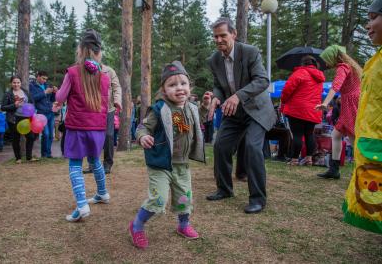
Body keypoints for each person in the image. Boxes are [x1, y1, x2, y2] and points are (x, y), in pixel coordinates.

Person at [129, 61, 210, 249]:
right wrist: (143, 137)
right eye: (172, 85)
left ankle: (183, 225)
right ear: (164, 90)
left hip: (181, 164)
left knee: (184, 197)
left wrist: (205, 107)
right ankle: (136, 226)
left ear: (189, 87)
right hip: (161, 164)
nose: (179, 88)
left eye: (183, 83)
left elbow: (199, 120)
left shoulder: (190, 108)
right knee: (159, 199)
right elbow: (142, 127)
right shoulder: (159, 109)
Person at [205, 17, 276, 214]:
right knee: (220, 146)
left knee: (253, 148)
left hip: (256, 110)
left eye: (223, 35)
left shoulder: (250, 52)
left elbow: (263, 80)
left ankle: (257, 199)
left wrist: (237, 96)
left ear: (234, 35)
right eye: (215, 36)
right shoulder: (214, 60)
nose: (219, 40)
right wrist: (216, 99)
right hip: (233, 111)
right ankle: (224, 189)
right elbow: (219, 85)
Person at [54, 29, 110, 222]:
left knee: (75, 165)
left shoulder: (72, 72)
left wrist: (57, 99)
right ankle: (102, 193)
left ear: (81, 50)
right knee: (95, 160)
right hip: (97, 127)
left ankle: (81, 205)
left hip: (77, 127)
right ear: (97, 51)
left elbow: (60, 97)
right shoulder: (104, 75)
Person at [342, 0, 382, 234]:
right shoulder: (376, 59)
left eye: (374, 17)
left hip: (376, 142)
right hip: (371, 142)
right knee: (373, 200)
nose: (367, 25)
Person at [316, 45, 361, 179]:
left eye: (327, 59)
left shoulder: (343, 67)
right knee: (336, 135)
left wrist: (325, 102)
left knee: (354, 138)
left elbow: (336, 86)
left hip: (350, 102)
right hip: (351, 101)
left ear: (333, 58)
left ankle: (361, 170)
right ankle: (334, 169)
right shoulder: (351, 66)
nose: (326, 63)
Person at [280, 55, 325, 166]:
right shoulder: (319, 77)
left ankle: (295, 159)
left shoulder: (299, 73)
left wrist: (283, 101)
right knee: (309, 134)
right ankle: (309, 159)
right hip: (314, 110)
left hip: (297, 109)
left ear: (303, 63)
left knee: (297, 135)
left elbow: (287, 90)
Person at [1, 76, 38, 164]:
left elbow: (32, 102)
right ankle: (18, 158)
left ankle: (29, 157)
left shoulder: (25, 92)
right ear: (11, 83)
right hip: (14, 118)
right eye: (14, 82)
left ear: (20, 83)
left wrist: (31, 109)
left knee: (31, 137)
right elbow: (3, 107)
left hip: (26, 118)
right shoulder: (8, 94)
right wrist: (14, 105)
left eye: (18, 82)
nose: (16, 84)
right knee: (15, 139)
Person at [29, 71, 57, 158]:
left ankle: (49, 154)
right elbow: (33, 98)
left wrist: (54, 92)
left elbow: (52, 99)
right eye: (43, 78)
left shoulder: (47, 85)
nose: (44, 81)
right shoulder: (32, 86)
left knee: (51, 135)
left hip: (50, 112)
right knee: (46, 134)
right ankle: (44, 154)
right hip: (41, 114)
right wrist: (45, 92)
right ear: (38, 76)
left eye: (46, 79)